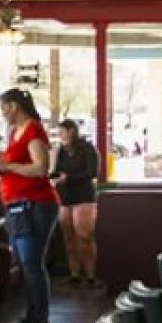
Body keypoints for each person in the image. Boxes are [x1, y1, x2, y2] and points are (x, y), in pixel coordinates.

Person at [0, 87, 60, 323]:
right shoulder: (13, 133)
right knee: (24, 262)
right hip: (17, 205)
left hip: (36, 204)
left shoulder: (33, 130)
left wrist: (8, 166)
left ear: (14, 106)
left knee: (32, 263)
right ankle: (31, 317)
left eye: (4, 108)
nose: (3, 113)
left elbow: (41, 169)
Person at [50, 119, 101, 285]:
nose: (60, 135)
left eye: (62, 131)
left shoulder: (87, 148)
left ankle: (91, 274)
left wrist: (69, 178)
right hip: (65, 197)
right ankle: (74, 273)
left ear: (71, 131)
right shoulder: (61, 151)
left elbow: (92, 172)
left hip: (83, 196)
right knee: (68, 236)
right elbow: (55, 171)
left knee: (83, 235)